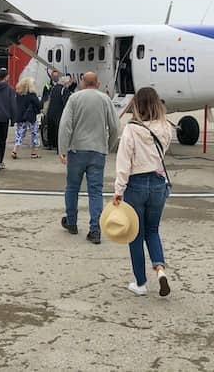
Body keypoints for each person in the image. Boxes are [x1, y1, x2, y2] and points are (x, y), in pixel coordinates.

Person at [113, 86, 174, 297]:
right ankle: (160, 270)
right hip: (158, 182)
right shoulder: (166, 127)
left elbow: (124, 162)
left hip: (136, 183)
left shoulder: (131, 129)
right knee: (153, 230)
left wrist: (118, 190)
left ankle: (140, 283)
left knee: (135, 234)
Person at [58, 72, 120, 244]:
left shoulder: (74, 99)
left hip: (77, 150)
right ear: (98, 83)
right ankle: (95, 230)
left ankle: (71, 222)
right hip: (98, 151)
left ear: (83, 83)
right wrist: (108, 145)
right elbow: (115, 126)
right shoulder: (105, 100)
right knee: (95, 192)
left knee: (72, 187)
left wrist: (62, 149)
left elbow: (65, 126)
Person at [13, 76, 42, 159]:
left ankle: (15, 150)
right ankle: (33, 153)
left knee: (19, 134)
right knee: (34, 134)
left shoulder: (18, 94)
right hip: (30, 117)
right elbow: (38, 105)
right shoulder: (32, 95)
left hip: (20, 117)